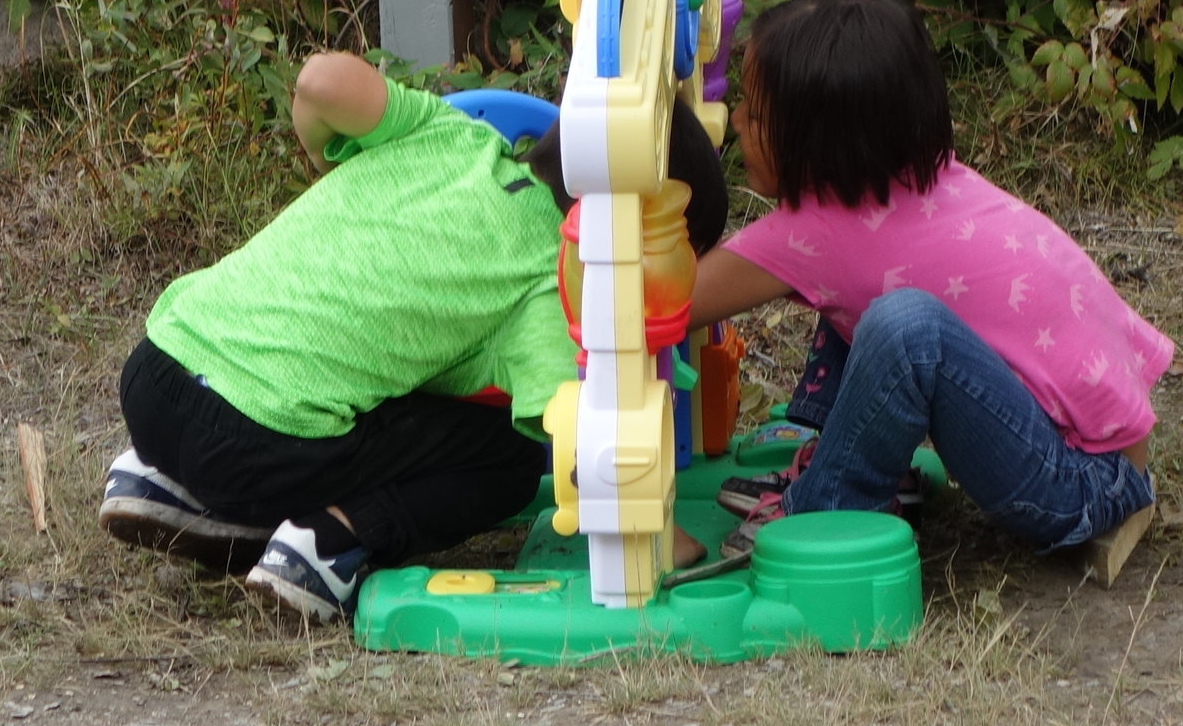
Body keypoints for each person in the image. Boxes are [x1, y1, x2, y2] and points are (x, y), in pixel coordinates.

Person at [102, 52, 728, 621]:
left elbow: (320, 80)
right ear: (640, 232)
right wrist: (660, 535)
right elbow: (579, 443)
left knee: (350, 388)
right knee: (508, 462)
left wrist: (333, 169)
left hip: (154, 374)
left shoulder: (447, 133)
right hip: (254, 444)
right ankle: (329, 539)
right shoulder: (549, 281)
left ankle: (161, 483)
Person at [687, 0, 1167, 562]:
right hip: (1107, 456)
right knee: (875, 300)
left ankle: (830, 503)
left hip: (1078, 485)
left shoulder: (814, 237)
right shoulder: (921, 179)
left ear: (819, 142)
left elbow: (665, 303)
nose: (735, 119)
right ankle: (856, 464)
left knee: (904, 325)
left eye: (755, 112)